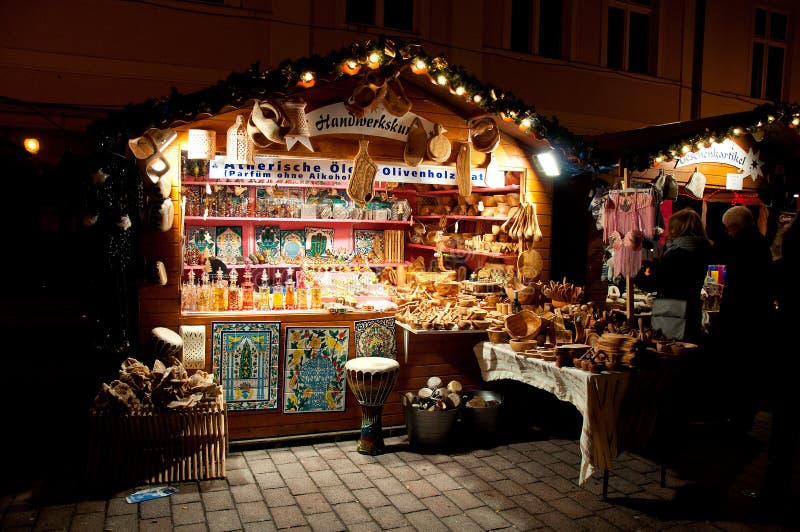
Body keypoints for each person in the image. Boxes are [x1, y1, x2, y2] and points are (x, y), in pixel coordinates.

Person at [713, 205, 774, 432]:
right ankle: (745, 417)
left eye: (728, 228)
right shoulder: (762, 244)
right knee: (750, 370)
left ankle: (733, 417)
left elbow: (718, 278)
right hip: (757, 317)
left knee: (735, 369)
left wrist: (712, 308)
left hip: (735, 317)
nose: (727, 232)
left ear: (735, 227)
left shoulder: (733, 246)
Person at [635, 208, 711, 342]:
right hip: (691, 310)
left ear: (679, 228)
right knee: (688, 348)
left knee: (669, 350)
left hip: (671, 312)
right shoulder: (702, 250)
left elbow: (654, 282)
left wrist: (638, 271)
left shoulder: (676, 254)